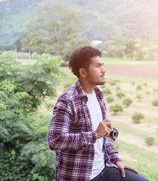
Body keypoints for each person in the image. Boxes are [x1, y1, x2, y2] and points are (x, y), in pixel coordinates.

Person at [48, 46, 149, 181]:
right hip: (80, 176)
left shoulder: (98, 95)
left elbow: (104, 137)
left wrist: (115, 159)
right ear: (83, 72)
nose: (103, 70)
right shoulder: (68, 100)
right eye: (98, 66)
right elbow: (55, 140)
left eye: (103, 65)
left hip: (104, 169)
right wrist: (94, 135)